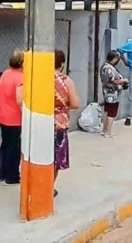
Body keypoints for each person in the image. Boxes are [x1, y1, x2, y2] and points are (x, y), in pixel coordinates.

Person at [53, 50, 80, 197]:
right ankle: (48, 187)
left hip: (39, 121)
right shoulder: (65, 80)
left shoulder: (38, 78)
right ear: (62, 63)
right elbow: (75, 103)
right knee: (55, 159)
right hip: (59, 122)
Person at [0, 49, 24, 185]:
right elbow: (19, 99)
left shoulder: (6, 73)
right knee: (14, 147)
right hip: (14, 118)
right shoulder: (20, 78)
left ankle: (2, 172)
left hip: (2, 114)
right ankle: (12, 175)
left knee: (5, 144)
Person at [99, 50, 127, 138]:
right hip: (111, 93)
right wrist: (124, 80)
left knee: (108, 111)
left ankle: (105, 130)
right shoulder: (109, 68)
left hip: (108, 92)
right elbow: (113, 81)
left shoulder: (105, 66)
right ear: (114, 59)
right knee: (112, 112)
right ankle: (108, 131)